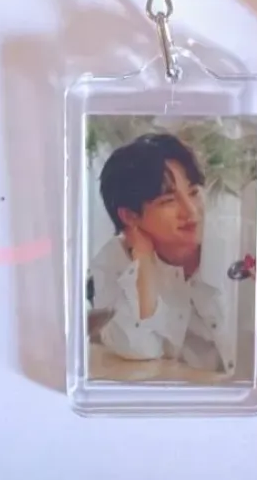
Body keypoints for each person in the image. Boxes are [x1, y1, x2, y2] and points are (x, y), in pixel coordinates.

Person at [89, 131, 235, 374]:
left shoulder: (235, 246)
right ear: (130, 216)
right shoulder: (113, 260)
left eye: (193, 192)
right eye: (169, 201)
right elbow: (137, 348)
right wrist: (144, 263)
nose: (191, 211)